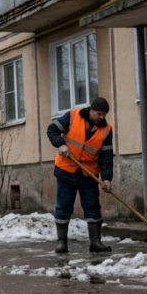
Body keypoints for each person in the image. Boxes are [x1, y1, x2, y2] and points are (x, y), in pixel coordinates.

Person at [47, 97, 114, 254]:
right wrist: (60, 145)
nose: (101, 117)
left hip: (89, 174)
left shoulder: (106, 130)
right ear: (91, 110)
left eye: (104, 114)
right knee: (63, 206)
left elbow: (106, 157)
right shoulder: (72, 116)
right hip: (66, 170)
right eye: (99, 114)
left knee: (92, 207)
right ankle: (61, 243)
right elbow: (52, 130)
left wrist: (106, 179)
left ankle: (95, 242)